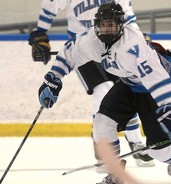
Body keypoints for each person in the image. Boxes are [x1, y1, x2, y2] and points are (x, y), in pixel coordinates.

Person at [36, 2, 171, 184]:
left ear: (121, 25)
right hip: (127, 84)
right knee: (101, 124)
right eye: (103, 24)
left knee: (158, 151)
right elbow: (69, 52)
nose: (107, 29)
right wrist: (53, 78)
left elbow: (158, 80)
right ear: (96, 24)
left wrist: (167, 107)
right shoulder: (90, 40)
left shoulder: (133, 45)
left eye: (112, 25)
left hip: (151, 89)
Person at [28, 0, 155, 167]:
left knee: (126, 89)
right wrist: (41, 32)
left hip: (116, 44)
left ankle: (135, 140)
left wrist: (138, 38)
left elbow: (127, 16)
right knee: (103, 91)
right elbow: (51, 4)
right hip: (85, 48)